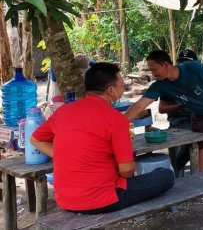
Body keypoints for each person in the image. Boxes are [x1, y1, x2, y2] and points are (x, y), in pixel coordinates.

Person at [30, 63, 174, 214]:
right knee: (166, 175)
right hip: (104, 199)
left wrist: (65, 156)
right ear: (111, 90)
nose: (123, 89)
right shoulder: (115, 119)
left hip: (65, 199)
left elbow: (35, 139)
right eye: (121, 85)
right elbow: (127, 170)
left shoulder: (63, 111)